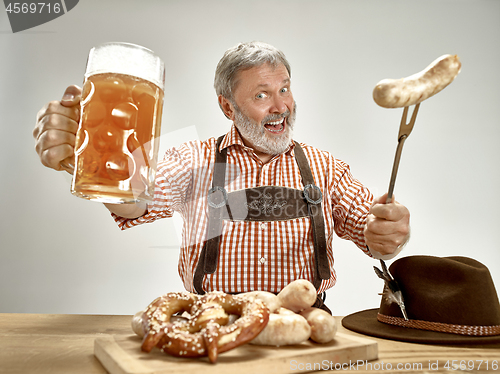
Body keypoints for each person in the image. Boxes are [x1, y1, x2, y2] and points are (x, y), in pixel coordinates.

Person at [33, 41, 410, 307]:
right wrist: (98, 157)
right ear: (227, 107)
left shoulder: (324, 168)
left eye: (284, 89)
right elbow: (136, 201)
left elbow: (372, 231)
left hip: (306, 324)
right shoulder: (194, 161)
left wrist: (387, 230)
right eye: (262, 95)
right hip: (212, 318)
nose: (281, 106)